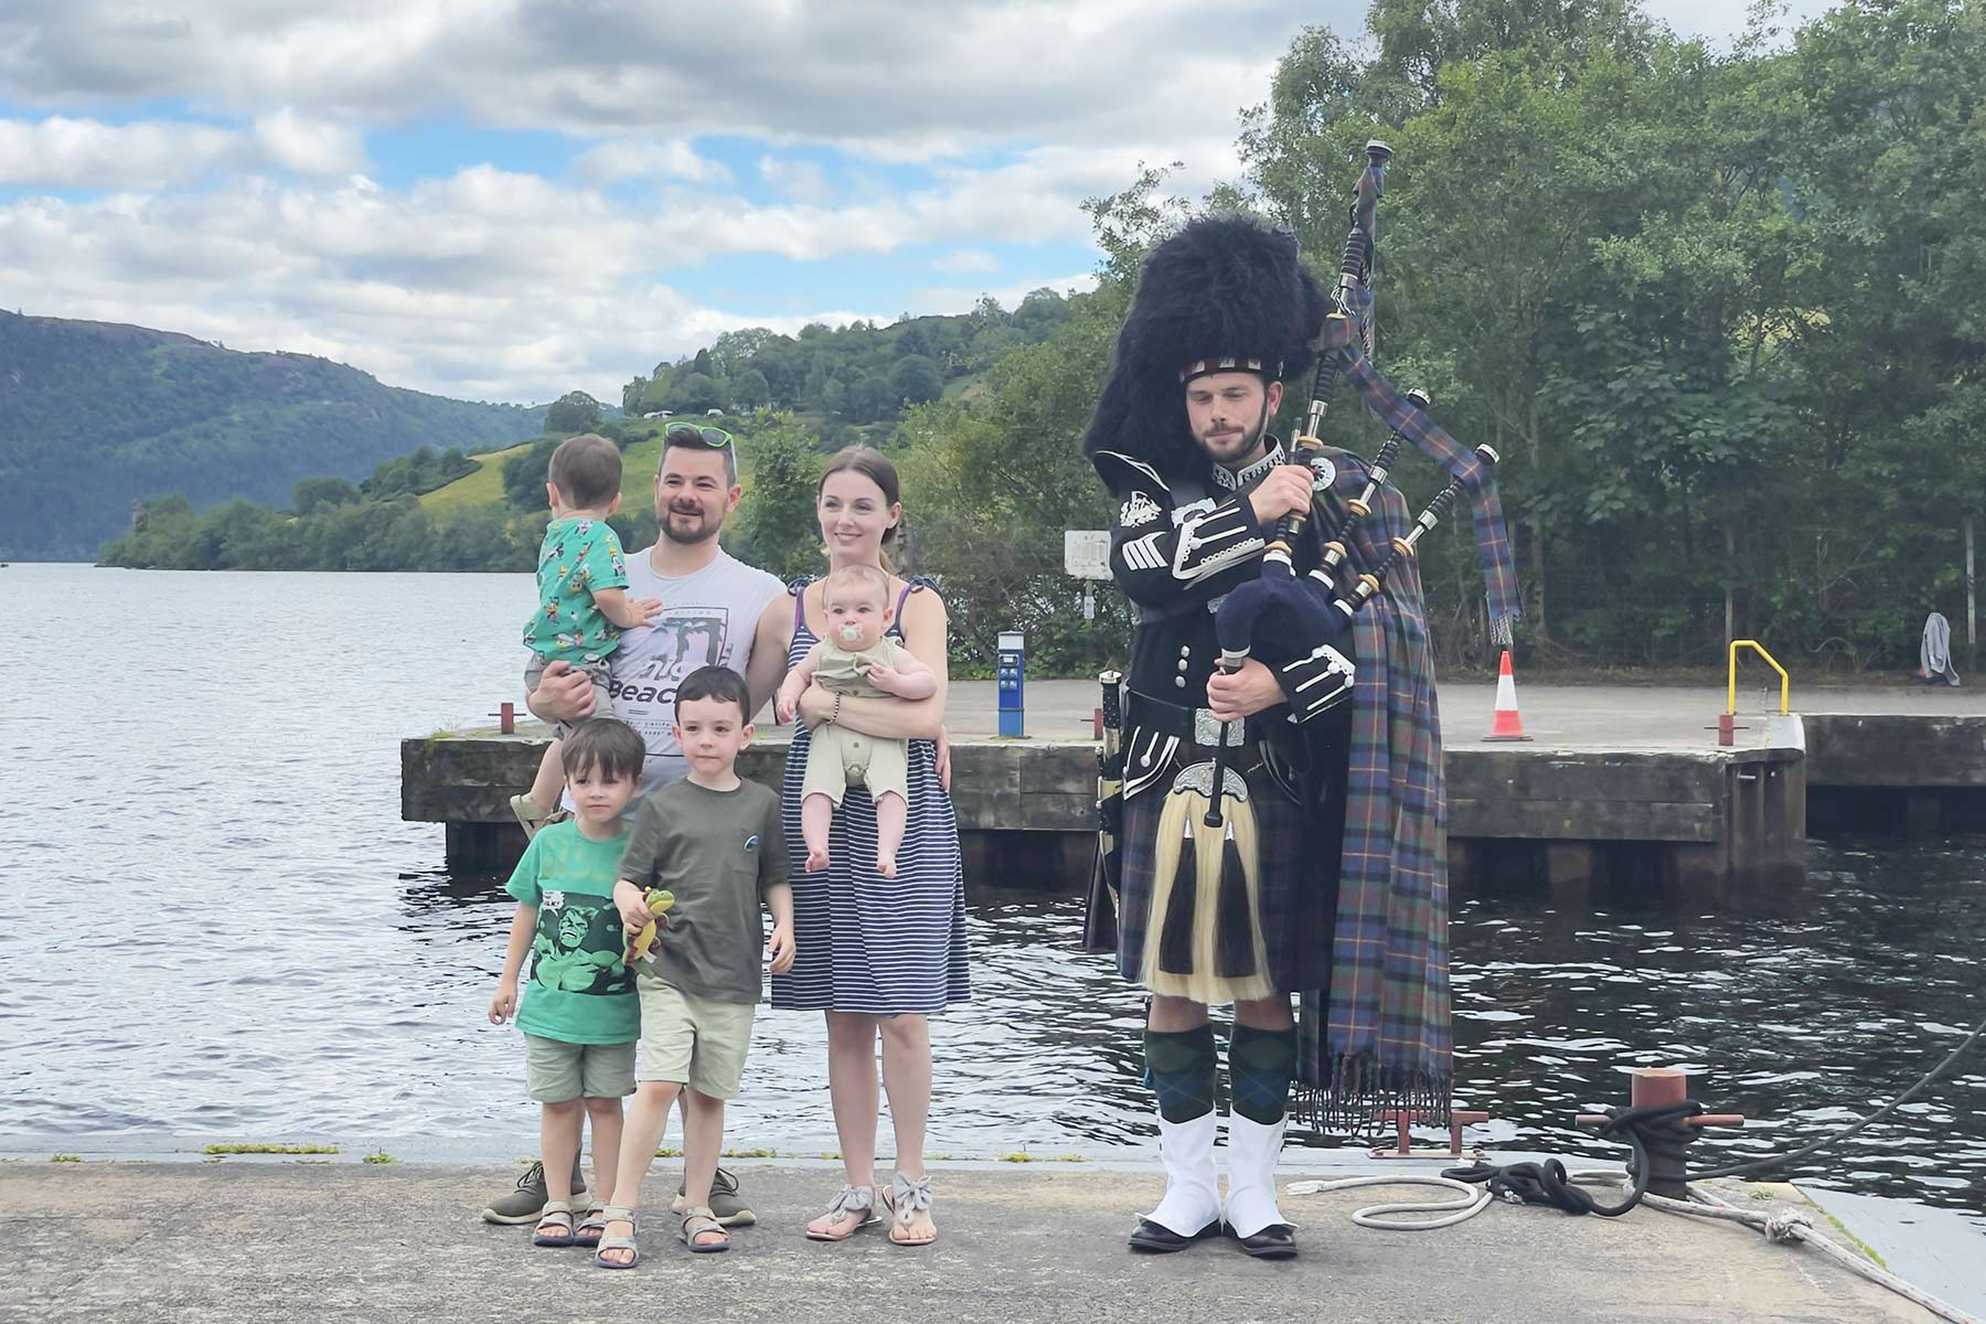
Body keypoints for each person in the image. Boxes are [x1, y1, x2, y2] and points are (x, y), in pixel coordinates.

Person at [1081, 214, 1517, 1261]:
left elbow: (1380, 649)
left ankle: (1258, 1188)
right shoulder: (1156, 489)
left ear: (1274, 392)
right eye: (1202, 397)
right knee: (1174, 986)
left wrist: (1285, 679)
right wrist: (1247, 504)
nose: (1218, 413)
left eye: (1236, 395)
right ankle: (1185, 1188)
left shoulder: (1344, 491)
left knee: (1269, 988)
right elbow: (1147, 574)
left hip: (1275, 774)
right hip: (1164, 765)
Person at [484, 421, 785, 1230]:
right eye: (674, 480)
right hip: (598, 827)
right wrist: (548, 701)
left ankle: (703, 1176)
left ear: (731, 495)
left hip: (692, 837)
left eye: (704, 483)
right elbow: (554, 681)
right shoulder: (607, 562)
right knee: (577, 988)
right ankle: (560, 1173)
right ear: (649, 490)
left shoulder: (763, 593)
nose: (687, 496)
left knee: (690, 1001)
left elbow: (754, 704)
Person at [748, 445, 968, 1248]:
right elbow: (757, 708)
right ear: (818, 511)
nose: (847, 519)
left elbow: (921, 718)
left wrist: (826, 711)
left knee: (904, 1013)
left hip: (900, 817)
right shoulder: (788, 610)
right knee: (841, 1016)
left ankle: (912, 1186)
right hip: (818, 822)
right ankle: (857, 1187)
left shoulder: (918, 605)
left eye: (864, 505)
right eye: (833, 503)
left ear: (892, 516)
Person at [592, 666, 794, 1265]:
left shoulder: (762, 804)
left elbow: (776, 878)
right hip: (668, 969)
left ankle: (698, 1203)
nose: (707, 739)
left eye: (721, 728)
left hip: (733, 977)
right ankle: (620, 1211)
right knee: (658, 1084)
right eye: (695, 729)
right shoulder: (661, 804)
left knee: (709, 1095)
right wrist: (629, 907)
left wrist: (786, 924)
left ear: (745, 735)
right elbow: (629, 881)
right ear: (677, 735)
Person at [488, 717, 645, 1252]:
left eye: (610, 781)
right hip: (549, 1010)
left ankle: (607, 1202)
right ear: (567, 785)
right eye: (583, 781)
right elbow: (527, 915)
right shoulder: (549, 843)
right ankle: (558, 1200)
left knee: (605, 1103)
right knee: (556, 1104)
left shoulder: (640, 849)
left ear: (635, 786)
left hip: (614, 1011)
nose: (595, 792)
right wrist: (507, 979)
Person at [510, 434, 661, 837]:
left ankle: (538, 802)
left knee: (572, 736)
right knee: (606, 741)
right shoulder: (601, 536)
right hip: (581, 666)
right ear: (615, 502)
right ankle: (594, 826)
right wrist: (628, 615)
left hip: (545, 662)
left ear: (551, 493)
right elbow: (608, 594)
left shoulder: (554, 534)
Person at [775, 562, 936, 877]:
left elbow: (927, 682)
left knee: (892, 793)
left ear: (885, 618)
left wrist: (895, 683)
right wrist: (787, 697)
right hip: (830, 739)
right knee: (815, 791)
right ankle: (817, 845)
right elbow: (798, 674)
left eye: (863, 610)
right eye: (839, 611)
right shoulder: (822, 650)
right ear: (827, 618)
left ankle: (887, 850)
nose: (850, 618)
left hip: (882, 740)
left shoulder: (891, 653)